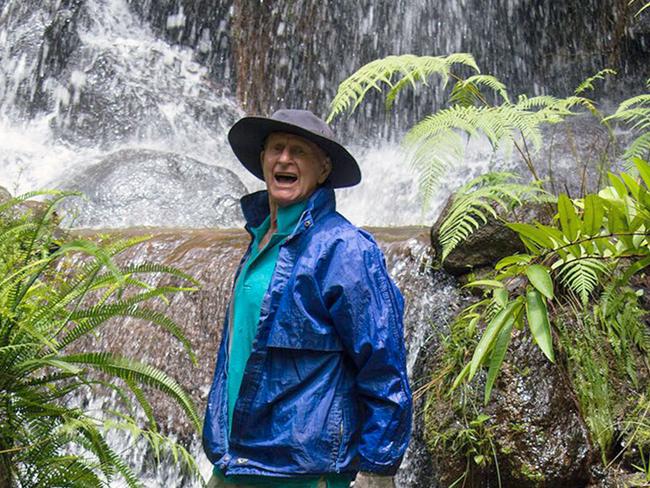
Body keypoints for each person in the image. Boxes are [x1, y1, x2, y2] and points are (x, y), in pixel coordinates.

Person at [202, 109, 412, 488]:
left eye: (299, 151)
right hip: (237, 463)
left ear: (324, 169)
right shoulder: (260, 241)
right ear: (262, 161)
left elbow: (383, 364)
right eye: (276, 149)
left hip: (306, 473)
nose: (285, 159)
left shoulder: (345, 249)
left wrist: (378, 469)